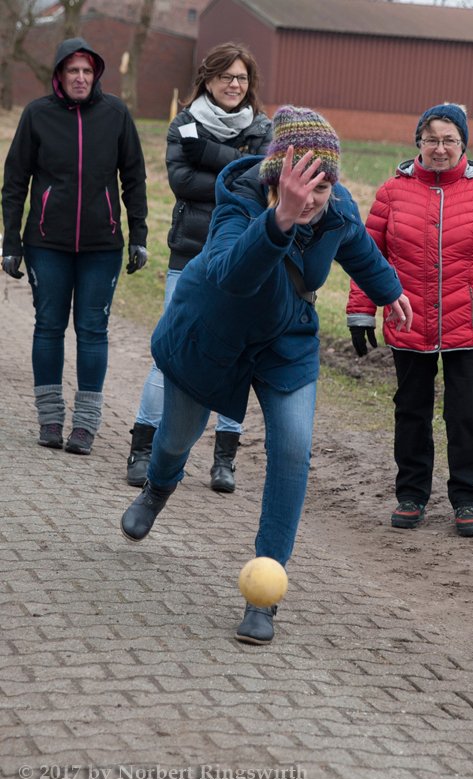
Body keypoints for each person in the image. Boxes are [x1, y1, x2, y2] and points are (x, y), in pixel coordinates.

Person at [119, 106, 413, 644]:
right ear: (276, 178)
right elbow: (231, 275)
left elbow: (357, 246)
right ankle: (157, 489)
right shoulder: (239, 201)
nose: (314, 198)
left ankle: (265, 590)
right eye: (302, 186)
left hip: (285, 339)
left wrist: (389, 290)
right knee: (178, 436)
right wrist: (279, 220)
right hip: (214, 335)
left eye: (323, 185)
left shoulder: (337, 207)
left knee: (293, 449)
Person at [346, 102, 473, 537]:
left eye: (450, 139)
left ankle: (467, 498)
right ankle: (411, 495)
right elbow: (368, 257)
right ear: (419, 142)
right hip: (408, 320)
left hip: (468, 324)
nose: (440, 148)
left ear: (463, 144)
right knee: (411, 412)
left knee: (465, 414)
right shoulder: (392, 192)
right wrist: (361, 311)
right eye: (431, 139)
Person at [125, 42, 272, 491]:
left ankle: (224, 460)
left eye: (242, 78)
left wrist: (205, 152)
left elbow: (260, 183)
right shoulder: (183, 123)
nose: (234, 84)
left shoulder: (263, 127)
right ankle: (143, 449)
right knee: (170, 354)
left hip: (243, 257)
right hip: (190, 251)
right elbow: (182, 181)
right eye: (226, 76)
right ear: (208, 79)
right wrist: (236, 166)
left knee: (238, 359)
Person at [1, 37, 148, 456]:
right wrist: (11, 241)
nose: (80, 77)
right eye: (73, 71)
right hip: (47, 243)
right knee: (48, 326)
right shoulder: (37, 115)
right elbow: (14, 182)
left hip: (103, 246)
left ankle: (84, 426)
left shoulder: (116, 114)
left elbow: (134, 178)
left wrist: (139, 235)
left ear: (95, 74)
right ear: (60, 76)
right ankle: (50, 419)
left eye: (87, 71)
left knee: (92, 330)